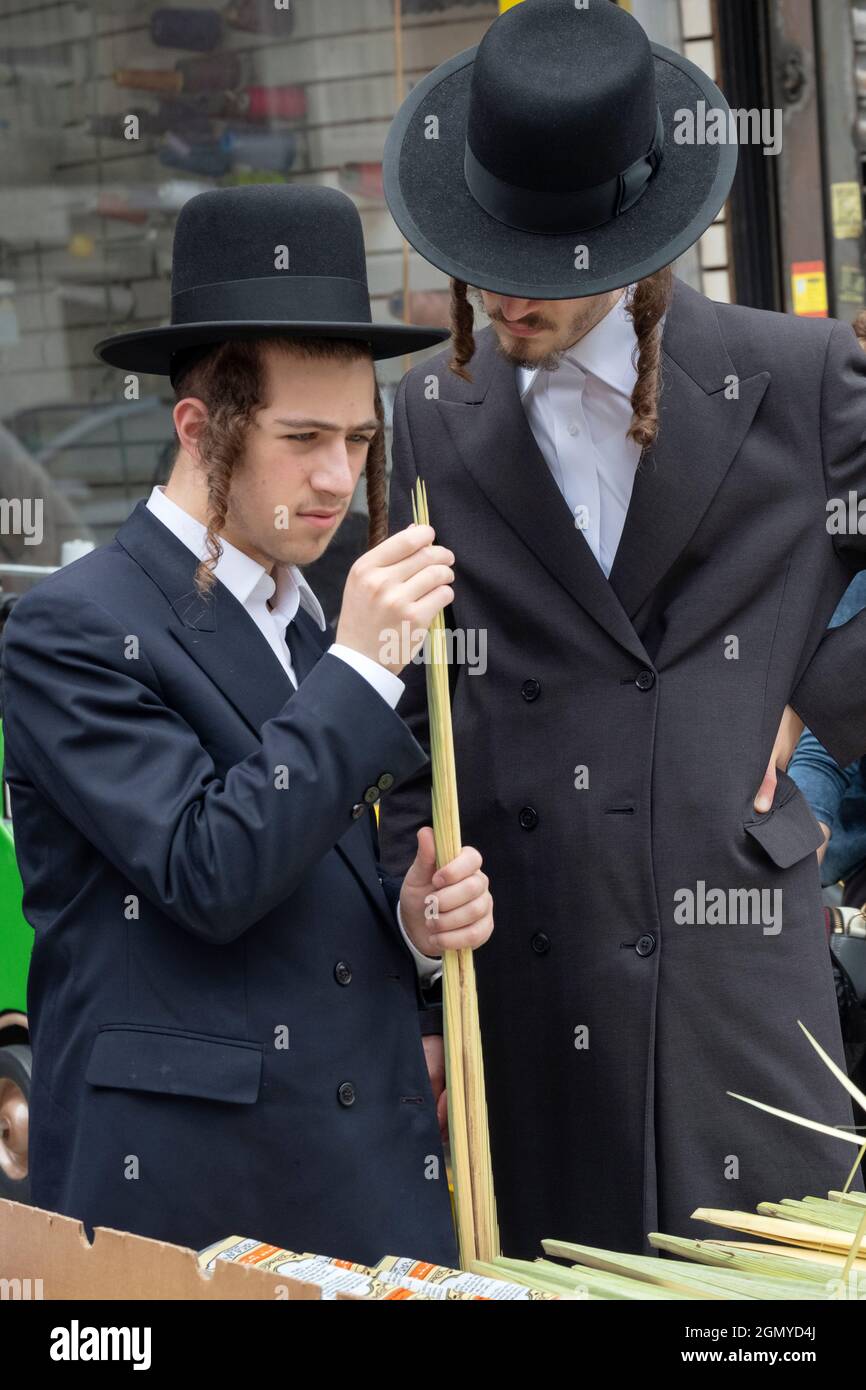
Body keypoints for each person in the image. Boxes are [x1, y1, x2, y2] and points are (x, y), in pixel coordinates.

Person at [378, 0, 864, 1259]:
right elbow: (385, 719)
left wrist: (810, 697)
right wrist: (415, 939)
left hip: (735, 969)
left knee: (762, 1306)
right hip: (529, 974)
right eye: (482, 253)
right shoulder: (421, 414)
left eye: (541, 270)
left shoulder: (796, 376)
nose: (500, 295)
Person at [0, 183, 494, 1266]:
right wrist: (364, 664)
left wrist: (406, 922)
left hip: (362, 1185)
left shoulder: (312, 623)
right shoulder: (70, 628)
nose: (337, 478)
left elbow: (300, 885)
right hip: (191, 1203)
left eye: (359, 439)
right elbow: (206, 868)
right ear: (199, 427)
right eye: (302, 436)